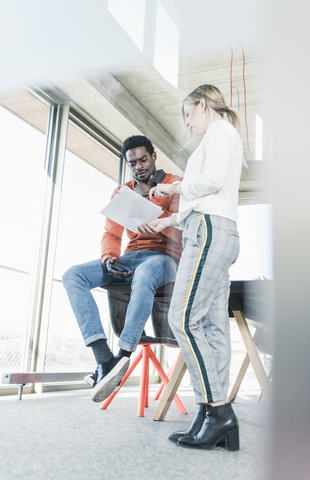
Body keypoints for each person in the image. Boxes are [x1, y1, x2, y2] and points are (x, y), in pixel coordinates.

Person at [138, 85, 242, 451]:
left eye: (187, 115)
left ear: (201, 105)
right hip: (217, 228)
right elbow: (213, 194)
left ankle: (217, 410)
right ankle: (211, 413)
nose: (187, 123)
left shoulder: (218, 130)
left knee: (182, 318)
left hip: (210, 231)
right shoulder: (224, 135)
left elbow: (209, 180)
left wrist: (174, 188)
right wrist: (171, 221)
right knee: (213, 327)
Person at [62, 135, 182, 403]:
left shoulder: (174, 185)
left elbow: (180, 228)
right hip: (130, 256)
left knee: (145, 274)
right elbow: (112, 235)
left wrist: (153, 211)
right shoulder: (122, 191)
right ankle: (104, 360)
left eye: (143, 159)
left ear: (153, 157)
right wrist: (108, 258)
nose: (139, 166)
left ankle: (123, 356)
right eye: (132, 162)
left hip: (164, 258)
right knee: (73, 275)